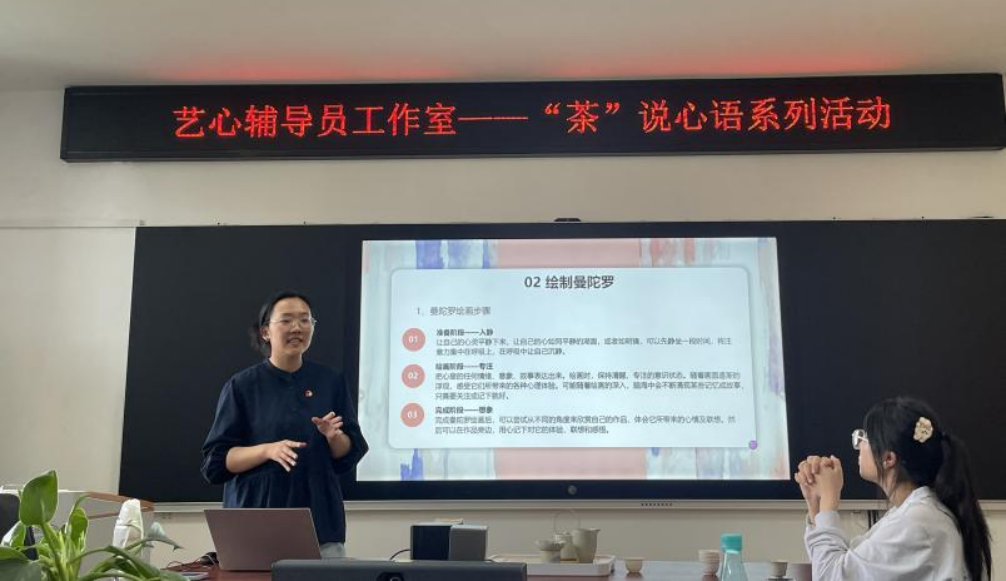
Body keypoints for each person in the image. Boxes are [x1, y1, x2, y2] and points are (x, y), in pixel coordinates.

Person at [201, 291, 369, 559]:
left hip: (320, 524)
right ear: (265, 332)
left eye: (305, 320)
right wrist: (267, 450)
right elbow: (216, 463)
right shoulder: (242, 386)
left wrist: (334, 437)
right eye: (287, 320)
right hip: (254, 525)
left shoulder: (331, 381)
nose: (297, 328)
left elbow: (348, 453)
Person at [794, 397, 991, 580]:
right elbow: (842, 563)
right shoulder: (914, 513)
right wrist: (816, 504)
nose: (859, 445)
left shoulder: (916, 521)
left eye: (864, 437)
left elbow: (831, 575)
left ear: (888, 458)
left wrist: (829, 499)